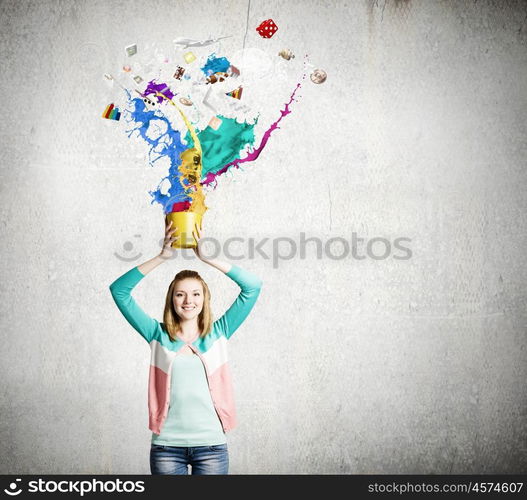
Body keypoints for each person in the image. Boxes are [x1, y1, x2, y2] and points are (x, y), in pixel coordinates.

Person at [109, 219, 262, 475]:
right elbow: (119, 290)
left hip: (212, 447)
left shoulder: (220, 332)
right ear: (172, 299)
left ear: (205, 299)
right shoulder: (157, 334)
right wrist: (162, 256)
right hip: (167, 448)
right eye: (180, 294)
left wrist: (208, 258)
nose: (188, 300)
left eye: (196, 294)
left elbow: (253, 286)